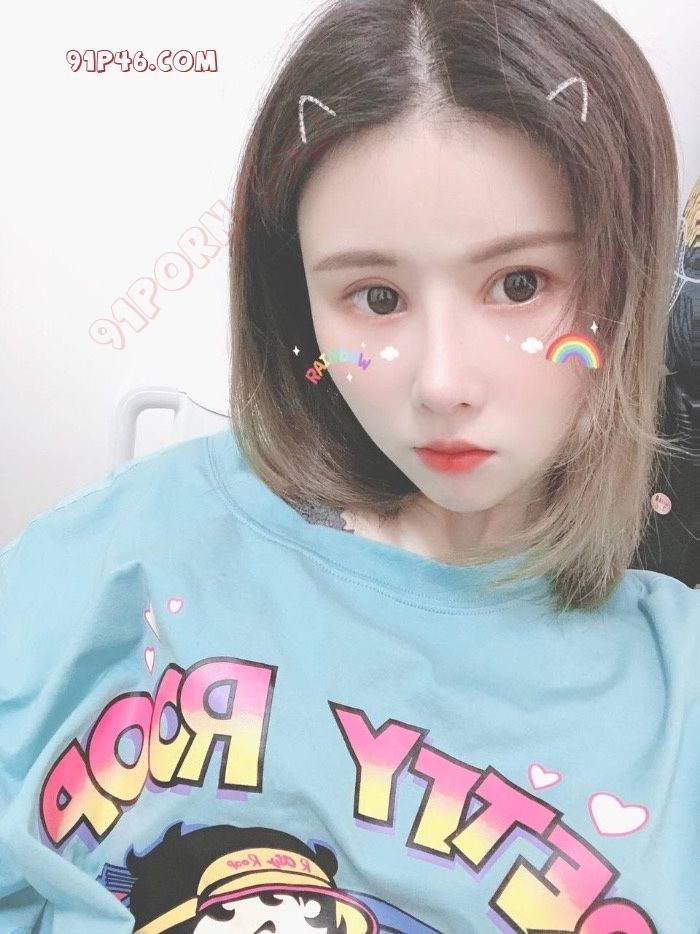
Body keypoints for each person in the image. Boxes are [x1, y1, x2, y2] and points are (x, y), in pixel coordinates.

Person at [1, 0, 698, 931]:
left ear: (630, 275)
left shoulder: (677, 693)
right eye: (375, 297)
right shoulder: (127, 548)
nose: (441, 384)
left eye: (520, 285)